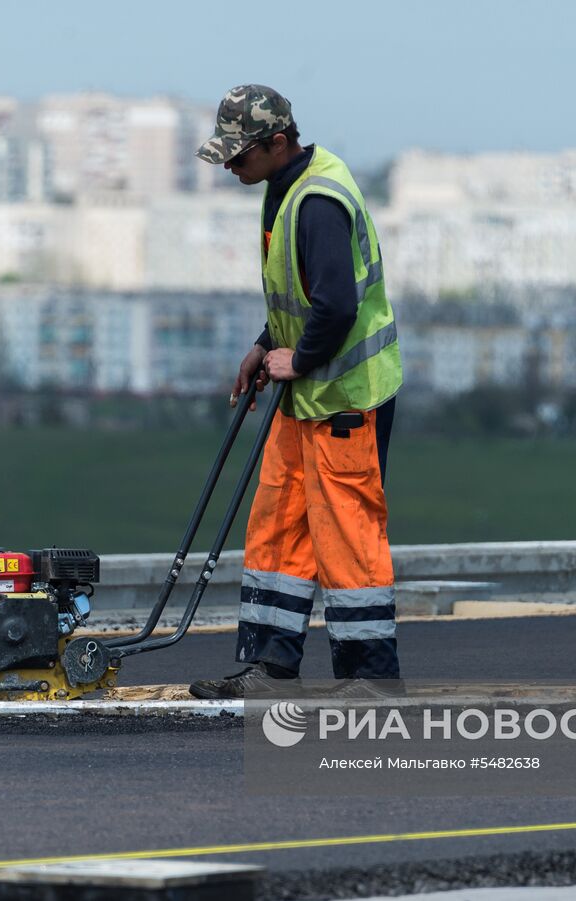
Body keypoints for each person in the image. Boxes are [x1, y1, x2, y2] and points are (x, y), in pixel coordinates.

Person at [188, 84, 403, 700]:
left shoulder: (317, 202)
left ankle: (372, 681)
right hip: (305, 393)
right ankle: (271, 668)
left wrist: (298, 360)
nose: (230, 165)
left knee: (348, 538)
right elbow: (303, 293)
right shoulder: (283, 187)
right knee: (279, 523)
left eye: (238, 155)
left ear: (278, 143)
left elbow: (336, 306)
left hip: (345, 399)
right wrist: (265, 343)